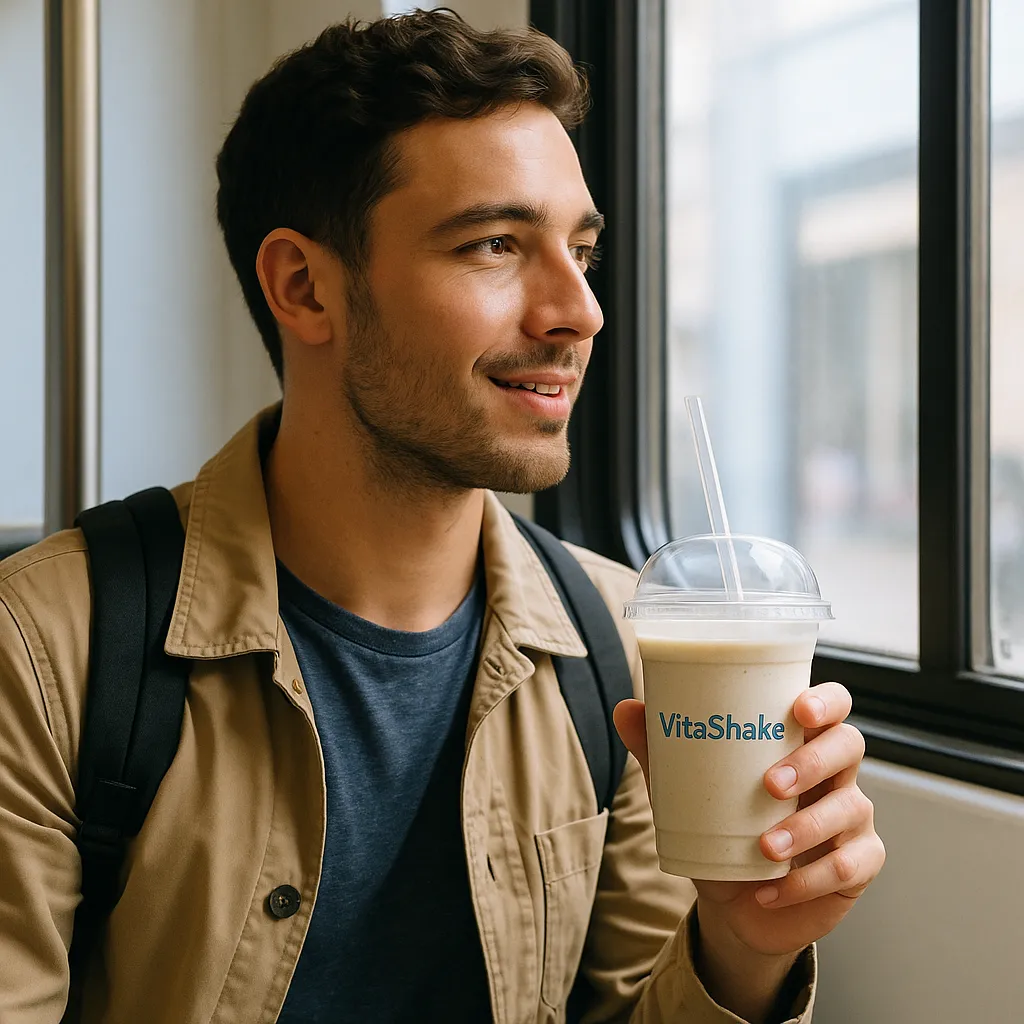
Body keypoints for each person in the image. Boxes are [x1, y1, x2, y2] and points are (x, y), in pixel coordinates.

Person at [0, 10, 884, 1023]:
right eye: (497, 244)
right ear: (304, 286)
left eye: (580, 251)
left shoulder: (621, 644)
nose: (577, 311)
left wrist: (741, 944)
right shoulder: (43, 651)